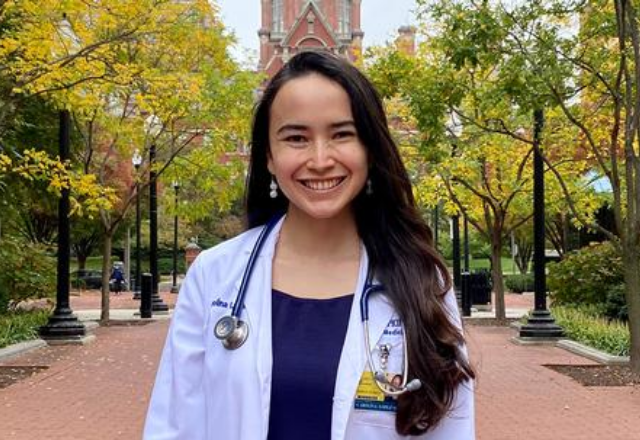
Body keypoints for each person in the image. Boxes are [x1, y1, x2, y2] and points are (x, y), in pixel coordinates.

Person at [143, 51, 475, 440]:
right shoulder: (215, 275)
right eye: (296, 138)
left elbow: (450, 429)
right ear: (268, 156)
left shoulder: (421, 280)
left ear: (370, 148)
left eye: (341, 134)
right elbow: (175, 426)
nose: (320, 159)